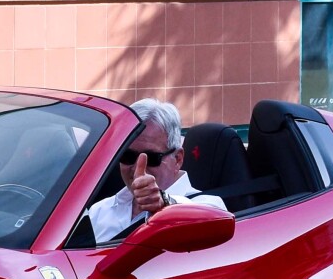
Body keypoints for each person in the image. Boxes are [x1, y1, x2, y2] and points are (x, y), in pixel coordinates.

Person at [84, 98, 230, 243]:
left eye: (151, 157)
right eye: (127, 156)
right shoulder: (99, 211)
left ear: (178, 159)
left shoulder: (210, 207)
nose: (137, 168)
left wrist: (164, 204)